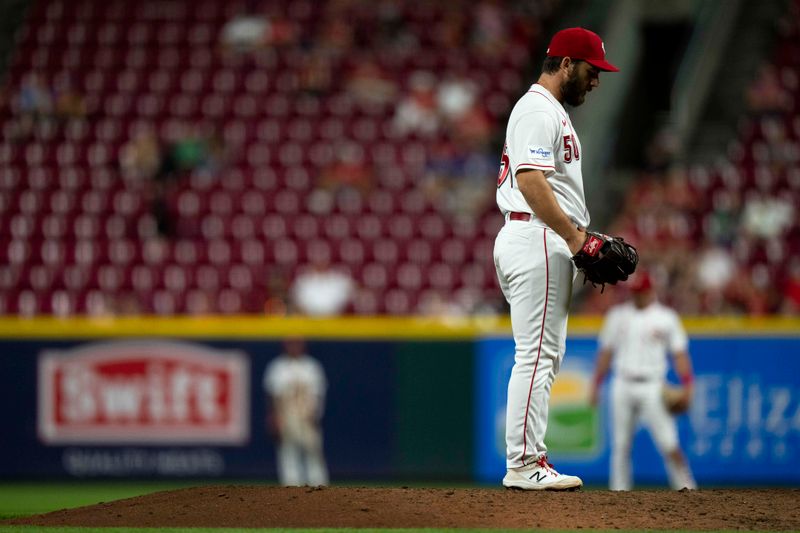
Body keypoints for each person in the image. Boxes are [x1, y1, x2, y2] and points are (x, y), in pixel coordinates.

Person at [493, 27, 620, 491]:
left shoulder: (549, 111)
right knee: (538, 354)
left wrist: (578, 236)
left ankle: (528, 460)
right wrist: (575, 239)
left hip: (537, 235)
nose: (596, 80)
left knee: (542, 353)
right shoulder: (535, 108)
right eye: (591, 70)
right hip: (538, 235)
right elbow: (530, 180)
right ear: (566, 63)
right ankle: (525, 463)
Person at [589, 272, 697, 491]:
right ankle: (619, 492)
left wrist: (688, 385)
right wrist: (596, 384)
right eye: (634, 292)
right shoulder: (617, 315)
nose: (637, 296)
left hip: (653, 386)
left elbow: (679, 354)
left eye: (641, 292)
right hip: (622, 383)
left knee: (669, 442)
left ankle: (687, 488)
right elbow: (606, 353)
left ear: (650, 291)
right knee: (620, 445)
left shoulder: (666, 317)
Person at [263, 338, 329, 486]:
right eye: (291, 343)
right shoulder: (277, 366)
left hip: (307, 415)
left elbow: (318, 394)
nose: (294, 346)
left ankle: (321, 493)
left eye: (297, 342)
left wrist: (315, 414)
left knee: (313, 454)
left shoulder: (312, 366)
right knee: (288, 455)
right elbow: (273, 395)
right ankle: (291, 495)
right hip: (286, 415)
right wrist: (274, 416)